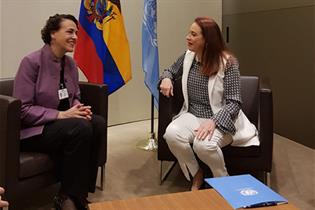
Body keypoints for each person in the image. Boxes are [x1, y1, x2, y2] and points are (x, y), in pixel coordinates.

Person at [13, 14, 106, 210]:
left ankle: (76, 193)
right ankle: (69, 199)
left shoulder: (71, 64)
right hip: (35, 130)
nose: (75, 37)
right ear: (53, 34)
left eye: (77, 33)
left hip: (64, 125)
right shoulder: (31, 62)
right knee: (80, 128)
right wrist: (61, 115)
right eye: (70, 31)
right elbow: (23, 110)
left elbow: (74, 96)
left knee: (97, 123)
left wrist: (79, 108)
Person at [159, 17, 259, 191]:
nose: (187, 37)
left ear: (207, 40)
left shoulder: (228, 63)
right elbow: (170, 70)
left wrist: (214, 121)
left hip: (221, 118)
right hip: (192, 114)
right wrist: (167, 78)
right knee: (171, 134)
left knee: (203, 145)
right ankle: (197, 173)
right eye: (189, 33)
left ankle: (223, 180)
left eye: (193, 34)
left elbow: (234, 102)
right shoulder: (188, 56)